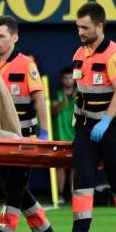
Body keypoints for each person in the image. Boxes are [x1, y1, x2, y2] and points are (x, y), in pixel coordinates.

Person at [61, 2, 116, 232]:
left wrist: (107, 120)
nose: (80, 32)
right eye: (78, 27)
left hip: (115, 125)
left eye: (85, 28)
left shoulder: (113, 54)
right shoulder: (79, 55)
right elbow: (81, 90)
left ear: (100, 26)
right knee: (83, 180)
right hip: (87, 125)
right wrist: (78, 116)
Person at [0, 15, 57, 232]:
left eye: (1, 36)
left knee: (14, 185)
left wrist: (43, 133)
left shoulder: (26, 65)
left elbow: (39, 99)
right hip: (2, 137)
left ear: (14, 38)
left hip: (25, 138)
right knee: (14, 186)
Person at [52, 67, 75, 204]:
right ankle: (60, 195)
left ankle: (73, 195)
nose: (68, 80)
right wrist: (63, 102)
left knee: (75, 166)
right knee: (60, 166)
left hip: (75, 135)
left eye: (70, 77)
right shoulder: (57, 94)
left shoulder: (80, 93)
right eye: (65, 78)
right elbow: (53, 111)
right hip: (60, 134)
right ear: (61, 79)